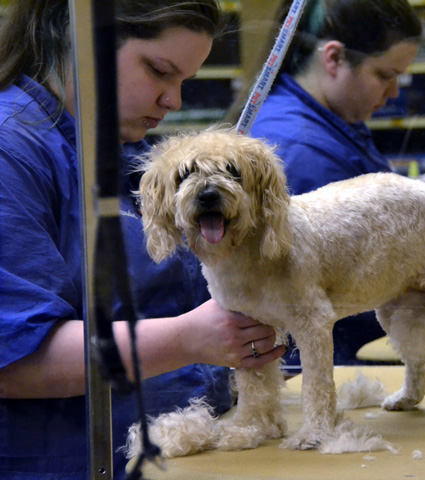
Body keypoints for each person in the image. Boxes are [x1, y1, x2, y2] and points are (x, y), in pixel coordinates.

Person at [0, 1, 285, 478]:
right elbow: (16, 362)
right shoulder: (12, 152)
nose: (174, 101)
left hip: (172, 450)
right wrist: (189, 338)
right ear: (82, 39)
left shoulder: (120, 146)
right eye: (159, 71)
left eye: (185, 81)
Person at [248, 0, 425, 366]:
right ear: (333, 58)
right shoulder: (300, 150)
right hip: (338, 362)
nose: (393, 93)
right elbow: (351, 284)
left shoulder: (334, 120)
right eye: (385, 75)